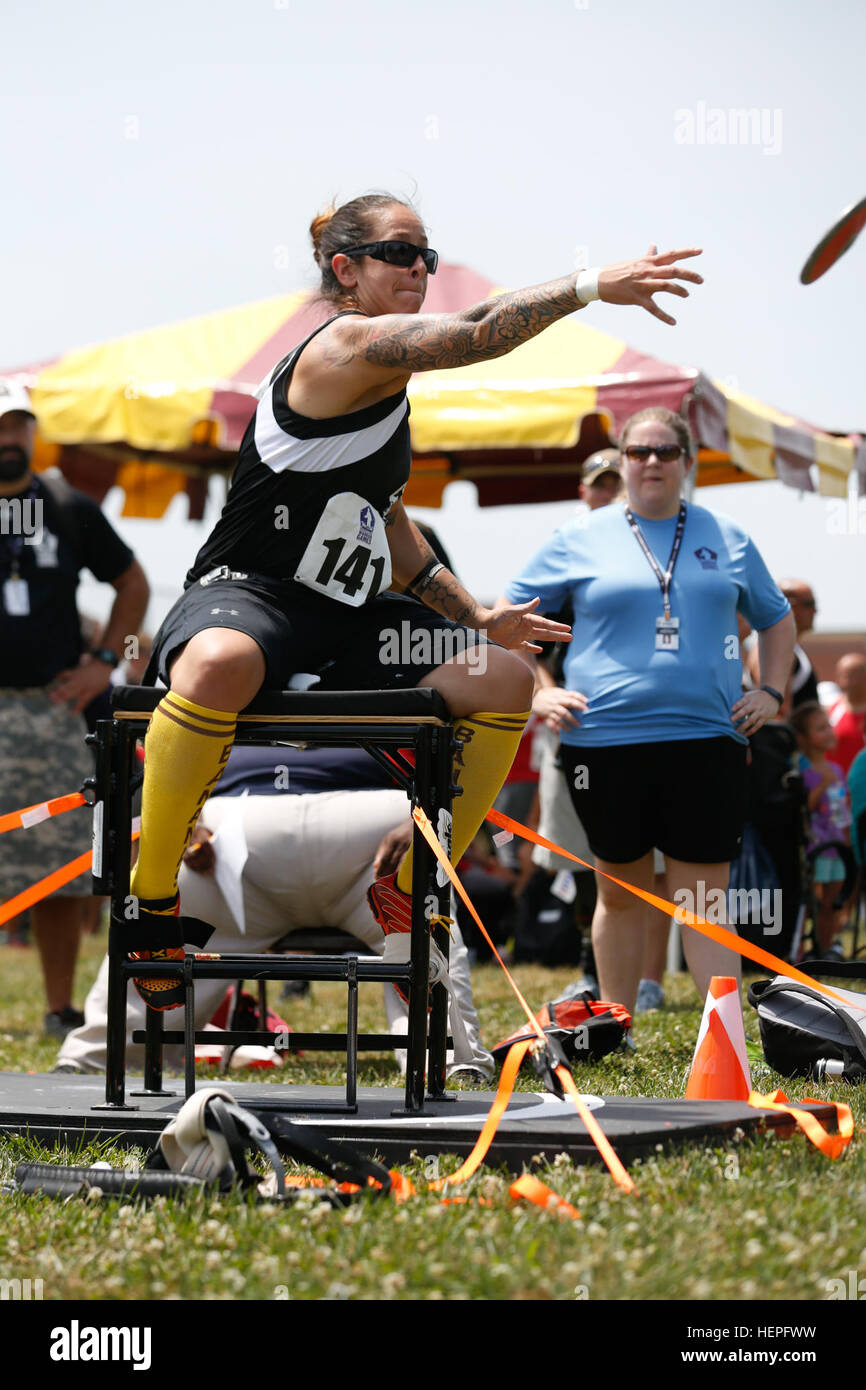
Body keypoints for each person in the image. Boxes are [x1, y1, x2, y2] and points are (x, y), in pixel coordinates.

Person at [127, 191, 705, 1009]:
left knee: (504, 678)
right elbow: (476, 333)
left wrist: (474, 617)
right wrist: (588, 285)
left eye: (426, 256)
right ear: (346, 269)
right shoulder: (347, 344)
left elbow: (388, 522)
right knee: (220, 662)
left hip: (346, 617)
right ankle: (151, 897)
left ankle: (411, 874)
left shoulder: (385, 394)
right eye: (401, 253)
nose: (420, 269)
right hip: (250, 594)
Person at [503, 406, 795, 1014]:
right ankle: (615, 1023)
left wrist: (770, 691)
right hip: (602, 742)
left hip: (707, 739)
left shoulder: (727, 534)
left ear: (687, 463)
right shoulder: (578, 537)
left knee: (704, 900)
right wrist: (539, 689)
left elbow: (777, 618)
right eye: (639, 452)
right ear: (624, 462)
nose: (652, 462)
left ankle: (724, 1037)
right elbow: (507, 618)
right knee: (621, 895)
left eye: (666, 452)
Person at [56, 746, 494, 1080]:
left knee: (422, 915)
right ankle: (448, 1056)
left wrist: (429, 819)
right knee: (419, 924)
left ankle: (99, 1055)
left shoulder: (227, 635)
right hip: (242, 838)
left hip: (329, 828)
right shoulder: (402, 638)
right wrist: (187, 824)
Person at [0, 380, 149, 1036]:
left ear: (33, 434)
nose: (8, 440)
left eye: (18, 426)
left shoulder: (66, 506)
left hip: (49, 711)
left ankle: (60, 1010)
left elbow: (133, 583)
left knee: (56, 868)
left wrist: (107, 662)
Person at [790, 701, 852, 957]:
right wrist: (821, 785)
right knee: (808, 904)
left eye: (829, 726)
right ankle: (800, 950)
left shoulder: (837, 770)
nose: (828, 732)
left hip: (836, 848)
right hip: (815, 848)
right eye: (820, 728)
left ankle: (826, 949)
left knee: (831, 903)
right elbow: (805, 807)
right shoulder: (802, 771)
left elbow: (842, 811)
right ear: (802, 737)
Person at [778, 579, 820, 707]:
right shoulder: (777, 649)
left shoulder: (786, 647)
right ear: (787, 604)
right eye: (809, 604)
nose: (815, 610)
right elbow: (778, 714)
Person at [826, 653, 866, 774]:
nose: (848, 681)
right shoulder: (830, 712)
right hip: (836, 789)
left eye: (854, 675)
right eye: (843, 675)